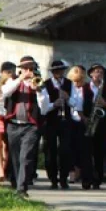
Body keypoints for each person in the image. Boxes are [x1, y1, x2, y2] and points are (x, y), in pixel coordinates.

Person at [0, 56, 50, 197]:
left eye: (31, 69)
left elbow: (44, 108)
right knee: (14, 157)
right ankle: (17, 183)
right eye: (25, 68)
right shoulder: (13, 81)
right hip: (13, 125)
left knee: (25, 157)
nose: (28, 71)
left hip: (30, 126)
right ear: (20, 70)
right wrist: (21, 79)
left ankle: (22, 188)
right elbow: (5, 92)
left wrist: (38, 90)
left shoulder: (40, 84)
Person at [41, 60, 73, 189]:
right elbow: (43, 107)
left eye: (61, 70)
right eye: (56, 71)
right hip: (50, 121)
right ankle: (53, 179)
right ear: (52, 72)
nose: (59, 73)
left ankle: (64, 178)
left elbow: (77, 103)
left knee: (65, 150)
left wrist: (68, 98)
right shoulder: (45, 85)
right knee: (50, 151)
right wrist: (54, 104)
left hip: (65, 121)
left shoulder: (69, 84)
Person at [65, 66, 96, 189]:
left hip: (83, 123)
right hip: (69, 122)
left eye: (79, 80)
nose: (77, 83)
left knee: (85, 152)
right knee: (69, 150)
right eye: (74, 80)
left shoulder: (88, 91)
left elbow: (89, 106)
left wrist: (87, 118)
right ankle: (71, 173)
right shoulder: (67, 90)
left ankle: (86, 179)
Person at [86, 64, 106, 190]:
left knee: (99, 153)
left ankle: (97, 179)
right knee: (86, 153)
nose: (99, 74)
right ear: (91, 74)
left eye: (101, 72)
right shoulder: (84, 88)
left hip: (102, 125)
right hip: (88, 122)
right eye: (96, 72)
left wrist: (105, 104)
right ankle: (87, 179)